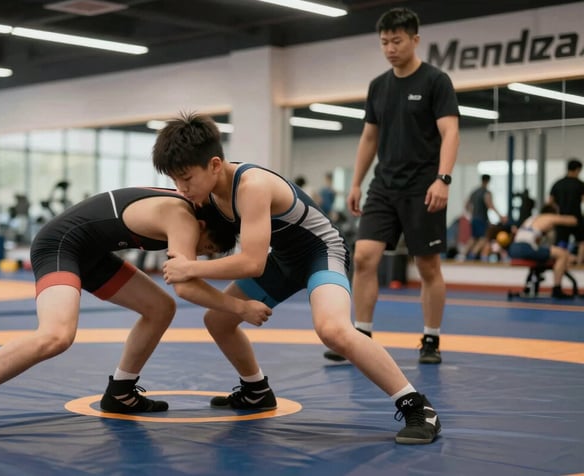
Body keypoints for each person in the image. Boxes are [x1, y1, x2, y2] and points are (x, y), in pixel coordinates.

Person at [154, 112, 441, 445]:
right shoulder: (206, 194)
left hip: (323, 252)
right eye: (175, 180)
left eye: (186, 178)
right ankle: (255, 390)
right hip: (284, 259)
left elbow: (252, 263)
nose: (182, 188)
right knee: (218, 319)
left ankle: (417, 406)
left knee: (333, 330)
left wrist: (190, 268)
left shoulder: (251, 186)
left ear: (215, 164)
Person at [0, 187, 272, 440]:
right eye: (206, 248)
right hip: (59, 245)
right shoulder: (183, 218)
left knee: (159, 308)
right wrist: (240, 307)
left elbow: (182, 285)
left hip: (90, 253)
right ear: (203, 225)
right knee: (56, 335)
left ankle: (120, 392)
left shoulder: (187, 210)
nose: (200, 256)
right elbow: (186, 287)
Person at [323, 7, 460, 365]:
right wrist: (355, 182)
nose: (390, 48)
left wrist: (443, 179)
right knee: (364, 257)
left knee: (427, 266)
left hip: (424, 186)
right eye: (384, 42)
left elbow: (450, 132)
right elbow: (369, 137)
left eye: (397, 41)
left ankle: (431, 339)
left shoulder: (435, 81)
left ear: (415, 39)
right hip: (383, 185)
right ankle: (361, 335)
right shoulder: (379, 86)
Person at [508, 203, 578, 299]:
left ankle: (531, 283)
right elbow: (572, 221)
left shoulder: (531, 219)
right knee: (562, 254)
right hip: (525, 248)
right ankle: (557, 289)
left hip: (514, 248)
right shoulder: (548, 217)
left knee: (545, 253)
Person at [548, 158, 584, 264]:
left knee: (561, 243)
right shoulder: (580, 184)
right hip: (575, 218)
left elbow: (550, 202)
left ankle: (562, 262)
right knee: (582, 241)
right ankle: (579, 262)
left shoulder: (557, 183)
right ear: (577, 170)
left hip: (561, 219)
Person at [464, 174, 506, 260]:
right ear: (488, 181)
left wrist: (472, 213)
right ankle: (472, 255)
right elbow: (490, 205)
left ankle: (462, 255)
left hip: (474, 218)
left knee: (473, 238)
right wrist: (500, 216)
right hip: (481, 218)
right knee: (483, 238)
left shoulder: (474, 192)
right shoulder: (486, 192)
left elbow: (467, 205)